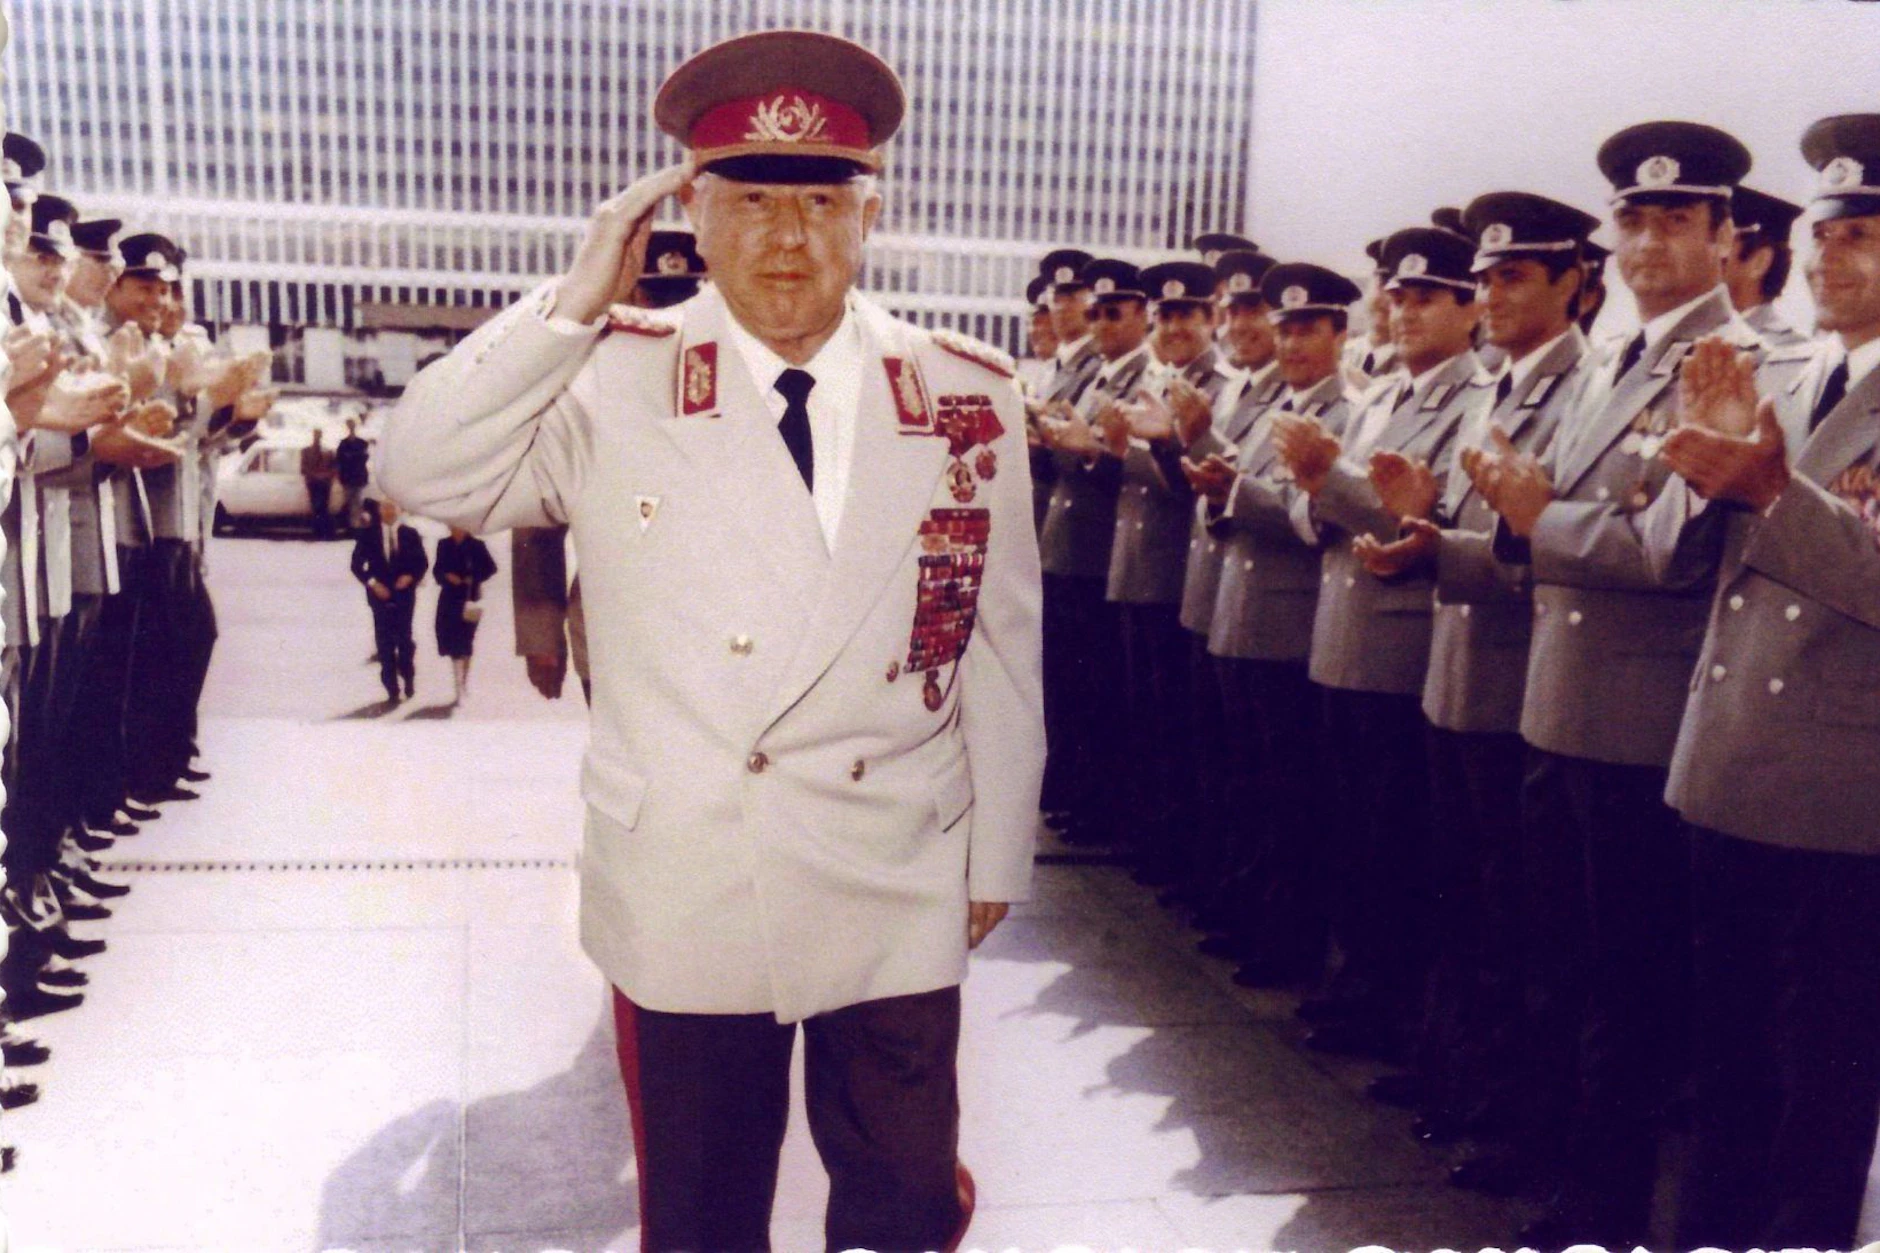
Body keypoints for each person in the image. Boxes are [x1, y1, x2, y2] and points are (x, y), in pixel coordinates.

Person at [379, 30, 1042, 1252]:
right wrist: (573, 300)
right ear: (690, 213)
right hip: (692, 866)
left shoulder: (961, 390)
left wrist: (995, 848)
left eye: (819, 203)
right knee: (701, 1216)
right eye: (749, 202)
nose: (786, 239)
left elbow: (998, 642)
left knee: (902, 1207)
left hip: (893, 858)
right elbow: (419, 468)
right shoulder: (606, 377)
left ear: (870, 214)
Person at [1655, 112, 1880, 1252]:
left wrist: (1770, 492)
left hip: (1838, 791)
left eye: (1862, 236)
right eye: (1821, 234)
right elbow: (1674, 554)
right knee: (1723, 1061)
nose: (1827, 257)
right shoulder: (1780, 371)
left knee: (1818, 1084)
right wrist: (1699, 478)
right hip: (1727, 758)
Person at [350, 496, 427, 703]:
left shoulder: (410, 534)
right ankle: (391, 687)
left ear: (399, 510)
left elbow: (422, 563)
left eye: (392, 508)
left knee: (404, 639)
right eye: (384, 508)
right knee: (384, 641)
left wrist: (410, 577)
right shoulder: (368, 534)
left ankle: (408, 677)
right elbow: (357, 565)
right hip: (379, 595)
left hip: (404, 595)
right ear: (379, 510)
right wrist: (373, 583)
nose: (388, 512)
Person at [433, 525, 495, 703]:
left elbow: (491, 568)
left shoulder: (477, 545)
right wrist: (447, 577)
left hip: (470, 598)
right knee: (451, 640)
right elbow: (437, 571)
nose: (456, 529)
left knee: (466, 640)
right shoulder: (443, 544)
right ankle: (458, 683)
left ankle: (463, 682)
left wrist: (473, 577)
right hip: (449, 598)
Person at [335, 416, 371, 529]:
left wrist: (351, 457)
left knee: (358, 502)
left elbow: (363, 458)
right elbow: (340, 460)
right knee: (349, 502)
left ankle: (356, 526)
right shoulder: (343, 443)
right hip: (348, 477)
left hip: (358, 477)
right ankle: (350, 526)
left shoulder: (361, 443)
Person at [300, 428, 336, 538]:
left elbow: (334, 468)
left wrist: (325, 475)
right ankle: (317, 532)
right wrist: (315, 475)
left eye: (319, 435)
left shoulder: (328, 451)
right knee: (315, 507)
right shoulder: (306, 451)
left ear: (321, 436)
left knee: (324, 507)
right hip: (313, 483)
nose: (317, 437)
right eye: (316, 435)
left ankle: (324, 532)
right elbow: (303, 468)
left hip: (325, 483)